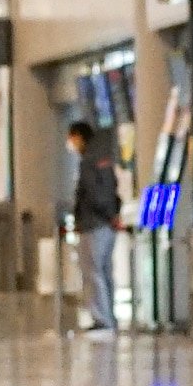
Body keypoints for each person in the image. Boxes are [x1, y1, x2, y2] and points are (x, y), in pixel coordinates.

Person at [67, 121, 123, 333]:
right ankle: (110, 316)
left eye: (72, 138)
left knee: (93, 272)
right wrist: (113, 214)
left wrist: (104, 215)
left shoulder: (88, 161)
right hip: (107, 223)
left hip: (93, 224)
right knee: (105, 271)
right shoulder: (103, 157)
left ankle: (101, 318)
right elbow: (112, 188)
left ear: (79, 137)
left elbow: (92, 193)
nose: (71, 143)